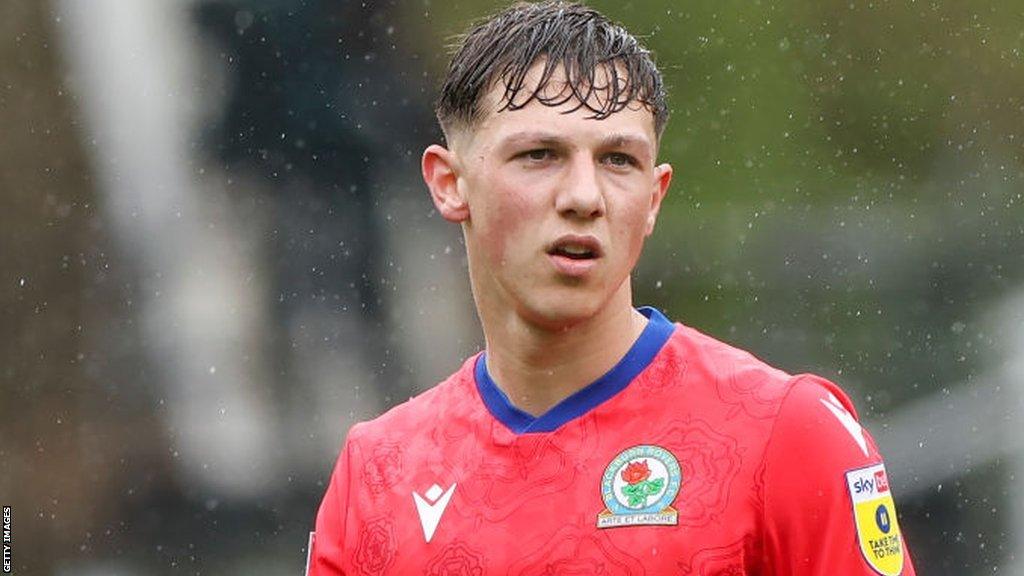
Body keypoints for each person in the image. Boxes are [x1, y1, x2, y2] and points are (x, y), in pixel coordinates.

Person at [307, 2, 916, 574]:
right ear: (449, 184)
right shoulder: (378, 474)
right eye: (540, 154)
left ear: (654, 198)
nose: (583, 197)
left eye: (618, 160)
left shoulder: (786, 434)